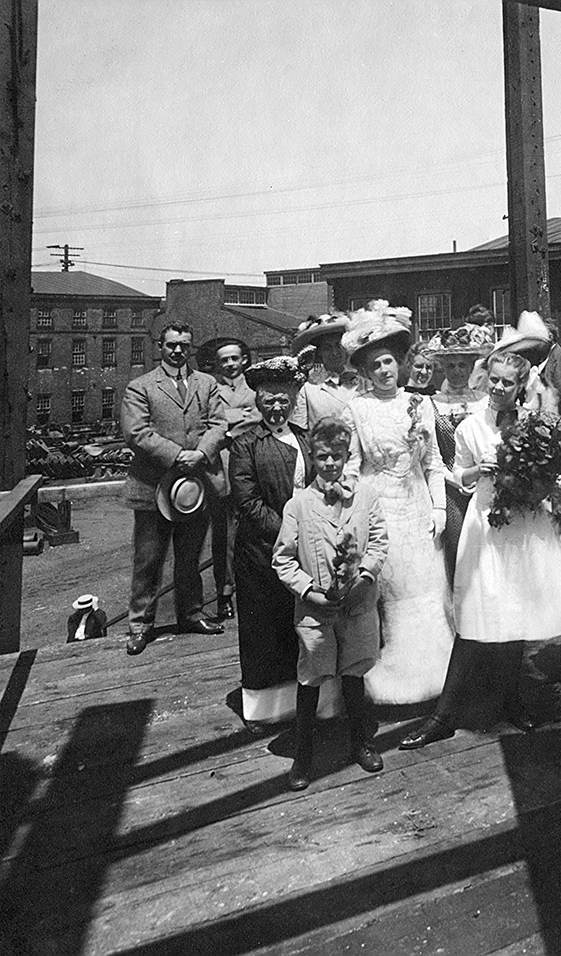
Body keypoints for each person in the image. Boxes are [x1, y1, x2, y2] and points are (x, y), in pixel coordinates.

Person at [398, 351, 561, 748]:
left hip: (523, 526)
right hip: (486, 526)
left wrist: (535, 486)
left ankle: (511, 700)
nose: (499, 388)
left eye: (508, 382)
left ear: (520, 387)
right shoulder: (471, 426)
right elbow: (457, 473)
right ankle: (443, 715)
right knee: (475, 615)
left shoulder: (533, 425)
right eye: (494, 380)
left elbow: (555, 472)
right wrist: (480, 471)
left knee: (514, 613)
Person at [340, 303, 455, 705]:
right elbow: (352, 466)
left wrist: (439, 509)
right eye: (376, 366)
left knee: (426, 588)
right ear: (366, 373)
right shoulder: (357, 408)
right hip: (380, 506)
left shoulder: (420, 404)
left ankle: (436, 675)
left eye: (389, 362)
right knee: (390, 592)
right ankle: (393, 678)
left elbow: (435, 463)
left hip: (417, 502)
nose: (385, 370)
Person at [273, 417, 388, 791]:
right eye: (322, 457)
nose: (330, 464)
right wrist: (309, 592)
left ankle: (361, 741)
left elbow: (379, 543)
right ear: (313, 456)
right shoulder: (298, 505)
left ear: (346, 455)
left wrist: (364, 578)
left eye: (337, 456)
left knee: (354, 673)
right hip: (316, 610)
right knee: (312, 677)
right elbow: (284, 559)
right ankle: (303, 754)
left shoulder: (366, 496)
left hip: (357, 603)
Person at [229, 355, 324, 733]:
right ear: (257, 400)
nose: (276, 406)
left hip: (304, 549)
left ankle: (304, 704)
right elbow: (248, 501)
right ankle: (264, 709)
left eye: (284, 397)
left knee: (300, 625)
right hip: (261, 552)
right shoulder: (245, 444)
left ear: (295, 398)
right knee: (264, 628)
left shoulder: (305, 438)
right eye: (269, 398)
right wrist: (288, 533)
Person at [120, 322, 228, 656]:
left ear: (191, 348)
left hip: (195, 487)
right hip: (153, 487)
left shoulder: (207, 383)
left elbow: (220, 423)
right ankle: (140, 626)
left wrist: (201, 452)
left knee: (190, 557)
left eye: (184, 345)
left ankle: (191, 614)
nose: (178, 351)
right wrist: (177, 455)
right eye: (171, 345)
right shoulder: (140, 387)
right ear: (160, 347)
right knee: (149, 560)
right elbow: (136, 432)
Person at [426, 322, 494, 585]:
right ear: (442, 367)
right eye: (450, 365)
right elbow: (432, 455)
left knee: (487, 556)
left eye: (462, 365)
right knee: (456, 554)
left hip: (484, 486)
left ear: (471, 366)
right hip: (450, 490)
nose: (456, 371)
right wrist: (455, 480)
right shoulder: (431, 403)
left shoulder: (485, 401)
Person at [208, 338, 259, 620]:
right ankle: (224, 593)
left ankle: (256, 588)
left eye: (234, 359)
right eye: (224, 360)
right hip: (223, 468)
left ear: (244, 360)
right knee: (225, 535)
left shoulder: (255, 387)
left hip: (252, 464)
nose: (229, 364)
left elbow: (260, 417)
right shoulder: (210, 390)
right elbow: (206, 422)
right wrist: (239, 417)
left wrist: (226, 423)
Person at [291, 312, 356, 429]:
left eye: (338, 345)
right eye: (327, 348)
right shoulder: (308, 390)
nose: (335, 352)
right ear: (319, 352)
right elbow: (300, 433)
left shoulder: (363, 383)